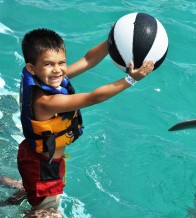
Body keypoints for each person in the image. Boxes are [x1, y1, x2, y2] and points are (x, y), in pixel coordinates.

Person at [14, 28, 154, 214]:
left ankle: (25, 194)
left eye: (61, 63)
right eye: (48, 64)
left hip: (34, 157)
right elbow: (93, 98)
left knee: (36, 195)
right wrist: (131, 79)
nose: (57, 70)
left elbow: (88, 60)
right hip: (43, 169)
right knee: (47, 211)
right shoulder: (46, 101)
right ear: (32, 68)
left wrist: (113, 40)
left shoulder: (45, 79)